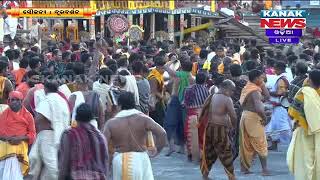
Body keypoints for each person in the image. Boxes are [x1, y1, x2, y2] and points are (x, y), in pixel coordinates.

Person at [103, 92, 166, 180]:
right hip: (141, 159)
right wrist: (157, 151)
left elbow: (103, 145)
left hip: (120, 160)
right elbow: (162, 133)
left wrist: (107, 165)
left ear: (119, 105)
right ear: (134, 104)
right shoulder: (144, 119)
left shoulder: (111, 124)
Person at [28, 78, 71, 180]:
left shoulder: (47, 100)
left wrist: (30, 127)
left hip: (47, 136)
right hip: (60, 135)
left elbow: (39, 118)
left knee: (50, 165)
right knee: (37, 161)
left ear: (45, 89)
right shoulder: (62, 101)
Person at [58, 103, 109, 180]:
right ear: (91, 118)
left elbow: (64, 164)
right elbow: (105, 163)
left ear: (76, 117)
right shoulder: (100, 137)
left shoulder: (69, 135)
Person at [200, 80, 237, 180]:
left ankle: (205, 175)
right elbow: (233, 116)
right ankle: (232, 177)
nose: (232, 93)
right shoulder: (226, 99)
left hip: (210, 128)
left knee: (209, 152)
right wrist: (234, 126)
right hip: (220, 130)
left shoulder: (212, 96)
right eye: (232, 90)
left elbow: (203, 112)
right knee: (226, 153)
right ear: (226, 88)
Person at [287, 69, 320, 180]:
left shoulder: (303, 93)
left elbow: (292, 114)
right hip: (319, 133)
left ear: (309, 80)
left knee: (304, 162)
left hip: (304, 133)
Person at [239, 69, 270, 176]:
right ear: (256, 78)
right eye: (261, 78)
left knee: (246, 143)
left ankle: (244, 168)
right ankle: (265, 170)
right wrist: (265, 118)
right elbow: (259, 108)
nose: (263, 79)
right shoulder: (254, 91)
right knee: (260, 142)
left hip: (245, 116)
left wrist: (261, 84)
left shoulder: (249, 86)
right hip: (253, 118)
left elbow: (267, 96)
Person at [0, 91, 36, 179]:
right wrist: (8, 138)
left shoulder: (28, 116)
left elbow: (32, 134)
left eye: (17, 100)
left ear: (21, 101)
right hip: (5, 146)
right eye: (12, 100)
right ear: (8, 101)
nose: (14, 102)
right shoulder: (3, 115)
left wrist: (20, 138)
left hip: (21, 147)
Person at [184, 71, 210, 161]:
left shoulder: (187, 89)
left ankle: (191, 154)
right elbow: (208, 105)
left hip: (191, 114)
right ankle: (201, 155)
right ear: (205, 80)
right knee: (202, 135)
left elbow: (185, 104)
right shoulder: (206, 90)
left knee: (190, 136)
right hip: (202, 115)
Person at [266, 61, 292, 150]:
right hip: (279, 105)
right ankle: (274, 144)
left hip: (280, 106)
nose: (274, 70)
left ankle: (292, 143)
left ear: (280, 69)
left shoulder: (281, 79)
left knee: (282, 126)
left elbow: (281, 92)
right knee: (275, 125)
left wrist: (268, 92)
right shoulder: (286, 76)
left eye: (275, 68)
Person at [147, 56, 166, 126]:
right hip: (155, 103)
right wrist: (163, 98)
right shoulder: (153, 77)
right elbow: (154, 91)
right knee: (158, 121)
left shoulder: (159, 74)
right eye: (163, 68)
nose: (164, 70)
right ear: (159, 67)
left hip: (160, 100)